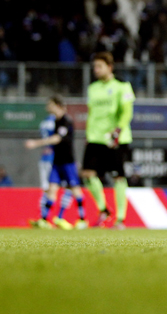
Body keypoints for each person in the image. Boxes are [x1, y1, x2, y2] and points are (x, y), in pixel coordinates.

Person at [81, 52, 135, 229]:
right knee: (88, 173)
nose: (96, 70)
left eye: (99, 66)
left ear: (109, 67)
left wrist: (118, 129)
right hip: (95, 137)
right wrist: (88, 135)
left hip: (116, 138)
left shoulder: (122, 86)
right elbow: (91, 114)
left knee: (117, 176)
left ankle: (120, 218)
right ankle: (103, 209)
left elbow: (127, 111)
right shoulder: (92, 88)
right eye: (94, 67)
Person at [25, 96, 87, 230]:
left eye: (50, 105)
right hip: (57, 161)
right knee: (52, 188)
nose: (47, 107)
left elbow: (57, 138)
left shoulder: (66, 120)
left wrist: (36, 143)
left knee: (75, 189)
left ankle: (82, 219)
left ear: (57, 105)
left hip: (67, 161)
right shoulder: (57, 121)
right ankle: (44, 220)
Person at [36, 111, 75, 228]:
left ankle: (43, 218)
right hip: (58, 160)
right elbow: (58, 138)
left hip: (45, 158)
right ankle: (59, 217)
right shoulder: (58, 122)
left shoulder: (44, 122)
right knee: (69, 188)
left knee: (47, 190)